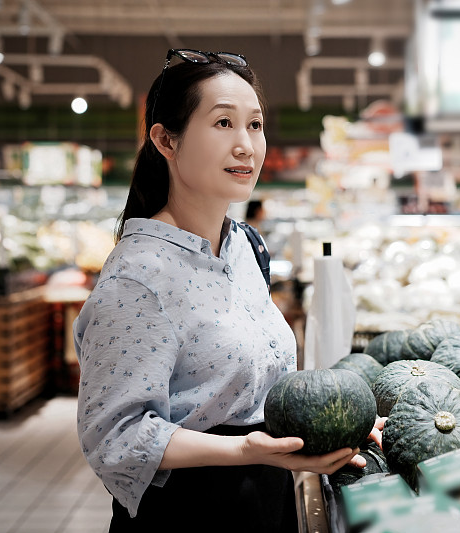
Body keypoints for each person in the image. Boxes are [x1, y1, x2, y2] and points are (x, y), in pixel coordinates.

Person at [73, 49, 381, 533]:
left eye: (255, 125)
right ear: (165, 140)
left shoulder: (243, 247)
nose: (246, 146)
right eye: (223, 123)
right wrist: (243, 449)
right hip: (188, 514)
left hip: (266, 499)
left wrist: (334, 421)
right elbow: (116, 437)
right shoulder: (138, 276)